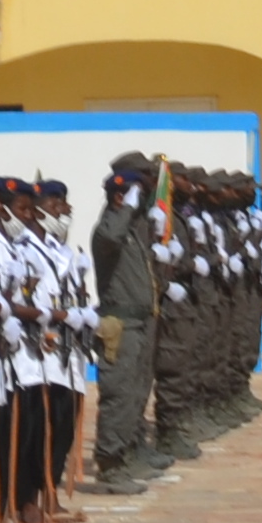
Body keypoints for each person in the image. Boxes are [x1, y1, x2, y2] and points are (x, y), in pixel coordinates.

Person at [91, 158, 160, 486]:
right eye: (138, 194)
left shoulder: (132, 230)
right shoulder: (109, 228)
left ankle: (129, 453)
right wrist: (127, 208)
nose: (142, 200)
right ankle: (111, 464)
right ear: (121, 197)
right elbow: (109, 238)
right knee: (118, 395)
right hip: (119, 325)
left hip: (138, 324)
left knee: (133, 394)